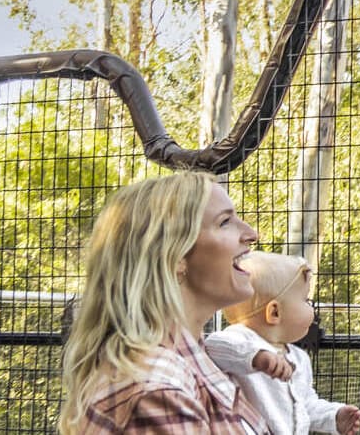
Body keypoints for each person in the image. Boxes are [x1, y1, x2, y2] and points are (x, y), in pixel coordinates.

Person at [59, 172, 268, 434]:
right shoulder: (157, 391)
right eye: (225, 222)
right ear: (176, 255)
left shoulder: (187, 362)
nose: (251, 233)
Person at [205, 252, 360, 434]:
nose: (311, 308)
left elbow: (305, 405)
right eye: (306, 301)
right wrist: (255, 357)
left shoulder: (298, 357)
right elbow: (213, 345)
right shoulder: (241, 338)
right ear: (274, 312)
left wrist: (333, 417)